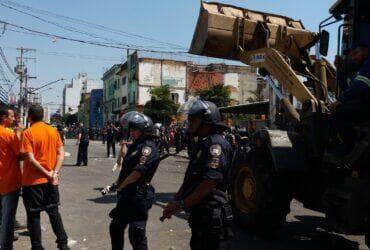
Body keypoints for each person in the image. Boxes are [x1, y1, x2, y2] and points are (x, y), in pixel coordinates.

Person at [162, 99, 234, 250]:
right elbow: (191, 179)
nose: (189, 122)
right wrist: (176, 200)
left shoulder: (216, 145)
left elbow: (209, 183)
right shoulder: (203, 143)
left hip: (211, 213)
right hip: (201, 213)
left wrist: (181, 204)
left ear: (206, 122)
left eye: (193, 119)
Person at [108, 111, 160, 250]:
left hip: (139, 195)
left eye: (135, 129)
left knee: (136, 233)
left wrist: (120, 187)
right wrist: (117, 184)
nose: (131, 132)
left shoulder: (147, 148)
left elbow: (137, 173)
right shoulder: (136, 145)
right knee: (116, 227)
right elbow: (125, 166)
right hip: (127, 194)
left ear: (144, 131)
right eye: (130, 129)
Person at [21, 105, 69, 250]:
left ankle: (37, 246)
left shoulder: (28, 133)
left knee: (34, 215)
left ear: (29, 117)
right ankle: (63, 244)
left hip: (32, 181)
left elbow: (30, 158)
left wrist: (47, 173)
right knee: (54, 212)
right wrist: (54, 172)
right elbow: (61, 153)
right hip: (51, 181)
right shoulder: (53, 131)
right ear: (42, 116)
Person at [331, 42, 370, 153]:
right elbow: (346, 87)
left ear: (366, 51)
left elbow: (360, 85)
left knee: (339, 112)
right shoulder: (358, 70)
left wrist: (340, 100)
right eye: (352, 55)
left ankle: (350, 147)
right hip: (365, 103)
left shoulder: (368, 64)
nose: (354, 58)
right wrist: (339, 69)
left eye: (356, 53)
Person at [0, 107, 22, 249]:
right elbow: (20, 153)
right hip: (8, 181)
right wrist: (19, 133)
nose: (14, 119)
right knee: (8, 218)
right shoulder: (8, 134)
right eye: (12, 116)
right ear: (4, 117)